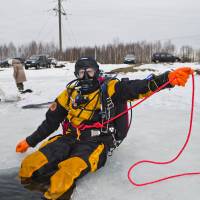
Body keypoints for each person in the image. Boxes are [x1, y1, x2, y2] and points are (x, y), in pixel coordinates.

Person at [16, 57, 193, 200]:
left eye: (90, 72)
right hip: (67, 138)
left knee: (65, 175)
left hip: (95, 143)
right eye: (81, 72)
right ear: (76, 74)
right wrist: (29, 141)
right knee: (28, 166)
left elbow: (136, 88)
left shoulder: (110, 89)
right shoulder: (70, 93)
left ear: (97, 72)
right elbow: (51, 122)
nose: (85, 76)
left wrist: (167, 79)